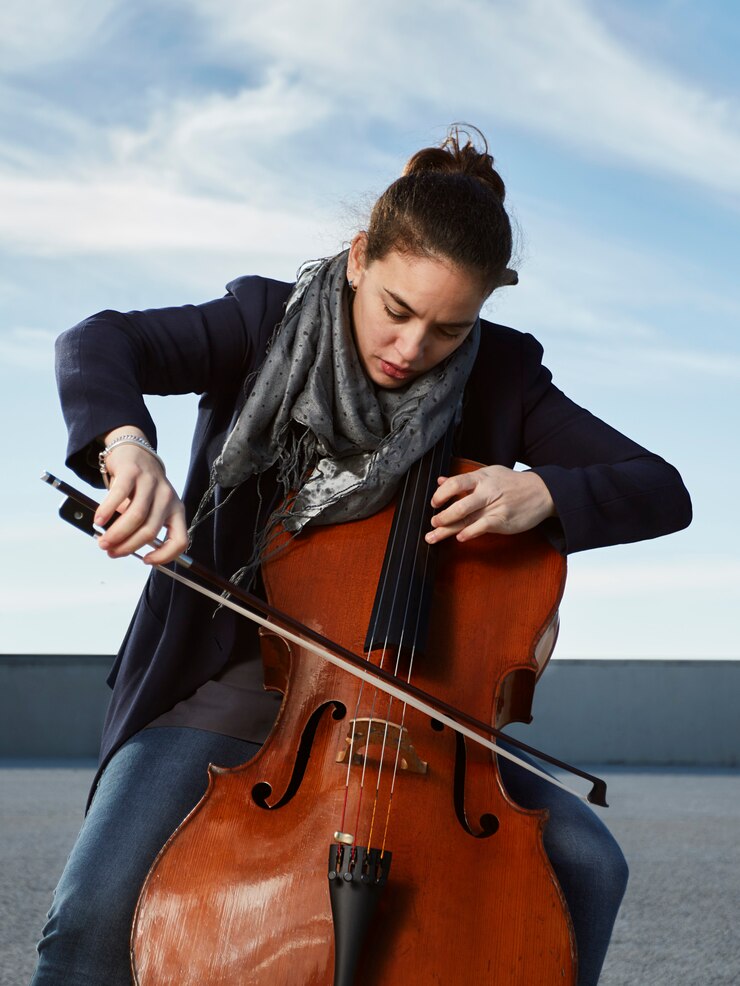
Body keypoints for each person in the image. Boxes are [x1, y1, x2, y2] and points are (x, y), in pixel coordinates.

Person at [32, 126, 691, 986]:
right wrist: (127, 446)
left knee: (592, 867)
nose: (412, 350)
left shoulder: (504, 376)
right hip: (227, 687)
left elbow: (661, 488)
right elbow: (99, 341)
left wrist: (545, 493)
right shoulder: (262, 320)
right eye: (397, 309)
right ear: (358, 259)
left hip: (417, 713)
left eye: (450, 331)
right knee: (89, 926)